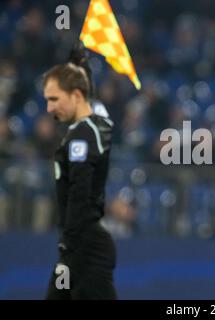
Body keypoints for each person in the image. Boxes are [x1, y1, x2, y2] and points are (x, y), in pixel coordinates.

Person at [43, 62, 117, 299]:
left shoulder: (82, 136)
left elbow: (79, 191)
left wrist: (70, 240)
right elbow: (98, 112)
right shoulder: (92, 128)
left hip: (85, 248)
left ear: (76, 95)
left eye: (54, 99)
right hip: (79, 247)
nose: (49, 107)